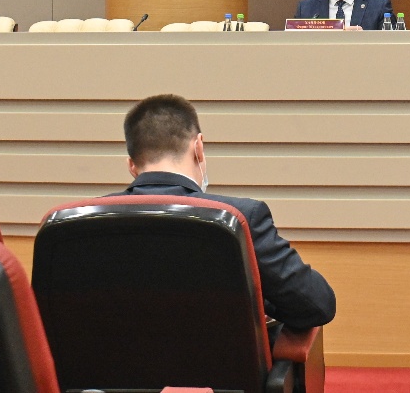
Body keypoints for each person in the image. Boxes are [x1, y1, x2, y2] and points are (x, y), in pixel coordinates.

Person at [119, 94, 336, 330]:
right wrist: (256, 299)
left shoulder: (87, 219)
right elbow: (316, 304)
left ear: (132, 166)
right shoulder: (240, 217)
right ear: (198, 147)